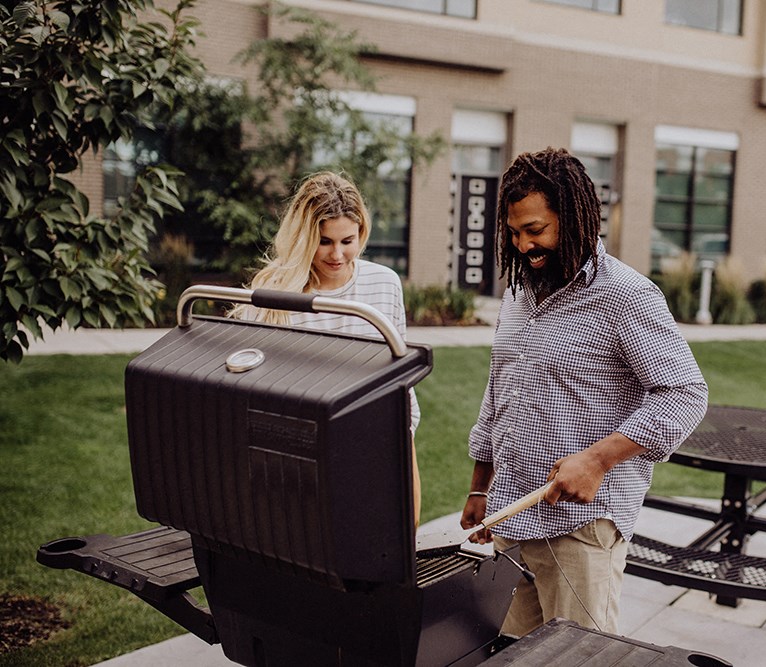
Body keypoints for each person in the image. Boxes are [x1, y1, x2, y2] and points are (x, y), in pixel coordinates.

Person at [460, 147, 708, 637]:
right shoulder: (517, 293)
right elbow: (500, 391)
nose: (524, 245)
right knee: (510, 653)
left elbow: (684, 392)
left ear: (575, 220)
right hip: (513, 514)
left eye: (536, 231)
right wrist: (479, 483)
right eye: (513, 232)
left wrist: (597, 460)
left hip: (581, 527)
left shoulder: (626, 294)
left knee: (577, 658)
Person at [231, 171, 422, 524]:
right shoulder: (275, 292)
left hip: (376, 436)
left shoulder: (385, 283)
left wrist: (403, 446)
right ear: (304, 238)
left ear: (362, 232)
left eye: (347, 240)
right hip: (301, 453)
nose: (337, 254)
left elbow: (398, 379)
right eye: (323, 242)